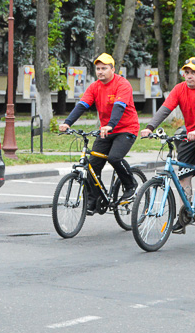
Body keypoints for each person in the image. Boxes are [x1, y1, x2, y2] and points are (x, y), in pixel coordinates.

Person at [140, 57, 195, 231]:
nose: (189, 76)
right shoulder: (179, 89)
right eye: (186, 72)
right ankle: (185, 214)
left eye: (193, 73)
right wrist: (150, 127)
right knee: (183, 174)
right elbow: (165, 109)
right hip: (193, 135)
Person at [59, 53, 140, 214]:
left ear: (113, 69)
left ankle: (131, 185)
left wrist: (110, 125)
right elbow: (82, 105)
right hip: (106, 131)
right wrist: (67, 122)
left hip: (126, 129)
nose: (100, 71)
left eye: (104, 68)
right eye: (98, 69)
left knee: (114, 158)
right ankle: (94, 200)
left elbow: (119, 106)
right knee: (92, 165)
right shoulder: (94, 87)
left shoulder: (122, 84)